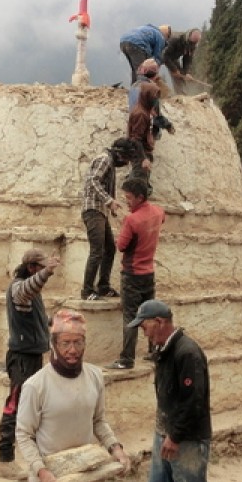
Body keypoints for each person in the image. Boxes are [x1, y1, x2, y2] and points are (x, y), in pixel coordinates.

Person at [16, 309, 131, 482]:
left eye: (77, 343)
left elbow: (98, 421)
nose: (72, 350)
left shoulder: (94, 377)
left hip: (82, 477)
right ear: (53, 346)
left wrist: (116, 449)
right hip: (49, 481)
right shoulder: (36, 385)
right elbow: (23, 434)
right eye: (65, 343)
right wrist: (42, 472)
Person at [128, 300, 212, 482]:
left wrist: (174, 437)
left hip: (186, 437)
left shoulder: (188, 353)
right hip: (163, 432)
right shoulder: (162, 349)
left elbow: (193, 401)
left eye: (145, 326)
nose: (143, 332)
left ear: (160, 322)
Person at [0, 248, 61, 478]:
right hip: (22, 357)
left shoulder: (33, 291)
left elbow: (37, 317)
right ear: (33, 268)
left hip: (32, 354)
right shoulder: (18, 287)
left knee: (31, 406)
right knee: (14, 406)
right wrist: (48, 272)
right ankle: (5, 459)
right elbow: (26, 290)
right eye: (40, 268)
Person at [107, 178, 165, 370]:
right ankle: (155, 351)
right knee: (151, 313)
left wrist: (122, 223)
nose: (127, 202)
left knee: (131, 316)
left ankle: (127, 358)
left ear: (140, 197)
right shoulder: (158, 211)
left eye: (129, 198)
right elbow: (160, 220)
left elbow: (122, 246)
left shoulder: (132, 220)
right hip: (149, 272)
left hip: (132, 274)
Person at [80, 141, 133, 302]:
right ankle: (87, 290)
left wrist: (110, 206)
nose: (126, 163)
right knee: (97, 251)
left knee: (109, 248)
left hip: (100, 211)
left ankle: (103, 286)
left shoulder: (108, 160)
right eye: (126, 158)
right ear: (119, 154)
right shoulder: (105, 159)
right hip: (93, 210)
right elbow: (92, 181)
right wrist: (109, 200)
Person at [127, 59, 175, 140]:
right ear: (156, 75)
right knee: (156, 129)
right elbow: (156, 115)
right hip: (143, 124)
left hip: (131, 124)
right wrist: (168, 125)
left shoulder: (134, 86)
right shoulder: (152, 89)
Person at [127, 81, 162, 187]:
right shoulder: (141, 114)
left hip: (142, 152)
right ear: (147, 96)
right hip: (140, 154)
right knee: (138, 186)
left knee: (141, 184)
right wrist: (144, 158)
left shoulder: (144, 111)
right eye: (153, 96)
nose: (155, 99)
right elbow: (135, 139)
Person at [161, 28, 202, 95]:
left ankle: (182, 95)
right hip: (161, 54)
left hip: (173, 58)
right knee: (152, 73)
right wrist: (174, 69)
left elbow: (187, 60)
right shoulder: (176, 39)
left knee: (180, 77)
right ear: (189, 36)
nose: (192, 44)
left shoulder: (192, 45)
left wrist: (186, 73)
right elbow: (165, 56)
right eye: (192, 42)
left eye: (195, 42)